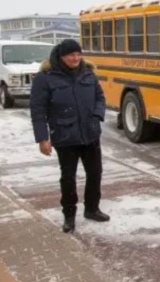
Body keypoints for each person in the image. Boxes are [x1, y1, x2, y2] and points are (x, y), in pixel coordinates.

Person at [29, 39, 110, 233]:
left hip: (90, 133)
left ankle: (92, 209)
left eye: (78, 54)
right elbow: (38, 110)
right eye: (70, 55)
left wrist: (97, 115)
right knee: (68, 177)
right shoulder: (45, 78)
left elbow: (100, 97)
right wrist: (42, 139)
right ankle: (69, 214)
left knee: (95, 173)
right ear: (61, 56)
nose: (75, 58)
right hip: (64, 136)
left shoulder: (88, 74)